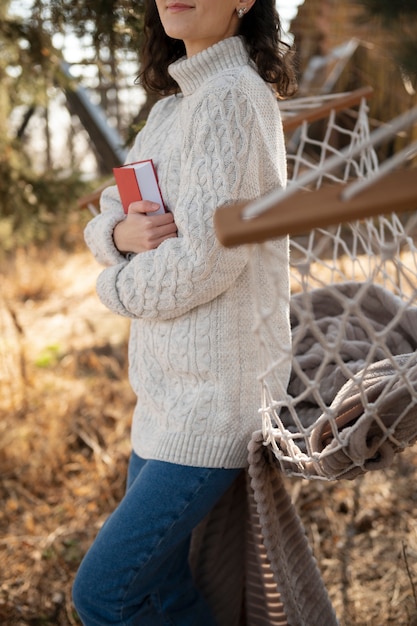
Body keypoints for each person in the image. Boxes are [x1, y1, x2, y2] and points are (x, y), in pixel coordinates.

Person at [72, 0, 296, 624]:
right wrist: (118, 240)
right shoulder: (169, 109)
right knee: (159, 587)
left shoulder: (233, 95)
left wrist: (112, 288)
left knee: (104, 593)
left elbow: (205, 261)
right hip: (163, 397)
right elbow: (109, 216)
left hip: (215, 401)